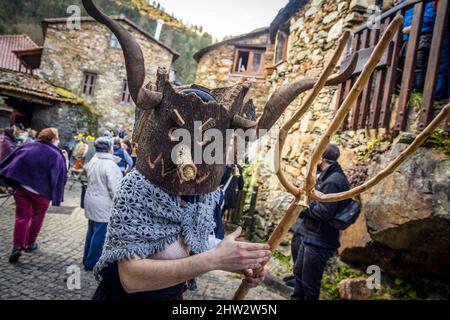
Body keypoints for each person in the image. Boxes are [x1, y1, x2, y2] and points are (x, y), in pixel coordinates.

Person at [291, 144, 350, 300]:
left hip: (319, 241)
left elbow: (323, 213)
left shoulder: (334, 181)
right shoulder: (327, 175)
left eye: (314, 155)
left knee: (309, 285)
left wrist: (303, 204)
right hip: (311, 236)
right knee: (299, 277)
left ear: (321, 159)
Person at [0, 128, 67, 263]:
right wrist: (57, 195)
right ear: (53, 139)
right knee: (37, 217)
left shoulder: (27, 146)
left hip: (23, 189)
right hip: (42, 193)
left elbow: (14, 162)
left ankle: (17, 246)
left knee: (22, 217)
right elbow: (60, 176)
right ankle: (30, 244)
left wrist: (12, 180)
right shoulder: (56, 155)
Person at [83, 137, 123, 271]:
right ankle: (92, 262)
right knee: (100, 233)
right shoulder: (110, 165)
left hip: (91, 201)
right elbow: (115, 189)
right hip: (103, 204)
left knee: (92, 230)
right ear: (109, 148)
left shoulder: (93, 161)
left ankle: (87, 258)